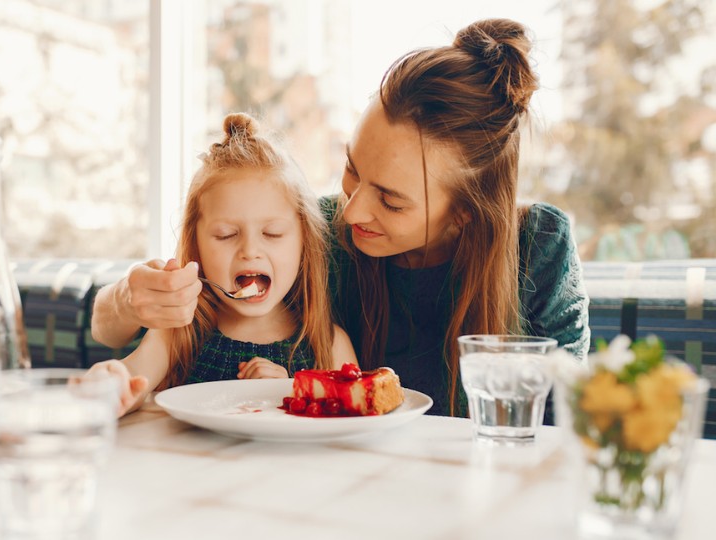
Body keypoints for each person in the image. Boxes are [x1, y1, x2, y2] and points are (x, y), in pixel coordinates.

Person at [92, 18, 590, 417]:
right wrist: (129, 300)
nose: (351, 211)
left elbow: (567, 426)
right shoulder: (314, 231)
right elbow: (118, 333)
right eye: (352, 169)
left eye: (391, 200)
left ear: (463, 213)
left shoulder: (539, 248)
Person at [90, 112, 357, 415]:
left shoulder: (328, 343)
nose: (250, 251)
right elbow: (133, 382)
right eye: (226, 235)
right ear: (197, 246)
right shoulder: (178, 331)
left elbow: (351, 419)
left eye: (272, 233)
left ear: (304, 244)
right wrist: (111, 384)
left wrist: (288, 394)